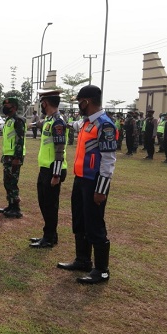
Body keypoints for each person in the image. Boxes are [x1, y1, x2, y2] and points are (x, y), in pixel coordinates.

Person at [57, 85, 116, 284]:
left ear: (87, 101)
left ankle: (102, 270)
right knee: (80, 221)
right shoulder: (86, 123)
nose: (78, 105)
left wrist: (101, 190)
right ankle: (83, 260)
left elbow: (108, 161)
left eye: (79, 101)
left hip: (95, 182)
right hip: (80, 179)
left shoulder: (104, 125)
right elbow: (72, 125)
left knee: (94, 224)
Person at [30, 90, 67, 248]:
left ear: (45, 103)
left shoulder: (58, 122)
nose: (41, 106)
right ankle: (50, 234)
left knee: (50, 205)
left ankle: (49, 237)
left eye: (42, 103)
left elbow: (60, 150)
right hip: (45, 168)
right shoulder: (49, 120)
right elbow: (41, 124)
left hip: (53, 170)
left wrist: (56, 174)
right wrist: (32, 123)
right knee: (44, 203)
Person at [0, 97, 26, 218]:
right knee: (7, 182)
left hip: (15, 157)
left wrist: (17, 158)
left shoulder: (18, 120)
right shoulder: (8, 120)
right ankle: (10, 204)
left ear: (14, 107)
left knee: (13, 182)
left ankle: (16, 209)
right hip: (8, 156)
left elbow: (20, 140)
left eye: (7, 106)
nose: (5, 107)